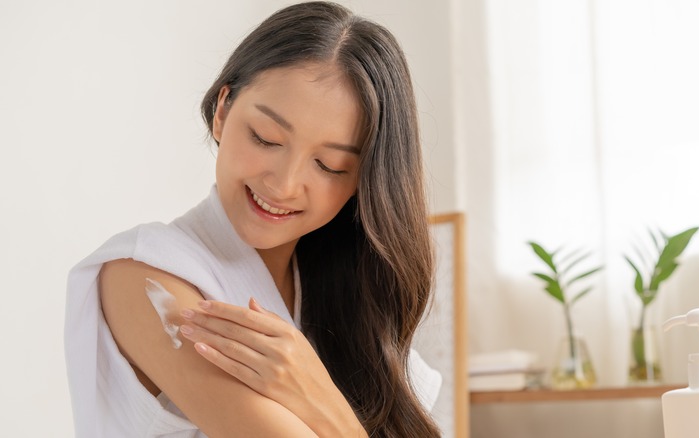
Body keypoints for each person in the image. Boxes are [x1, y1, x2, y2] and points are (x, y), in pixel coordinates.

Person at [64, 2, 442, 437]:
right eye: (265, 138)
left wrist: (316, 392)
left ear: (364, 179)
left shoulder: (355, 300)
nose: (284, 185)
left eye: (330, 165)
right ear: (223, 111)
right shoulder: (145, 273)